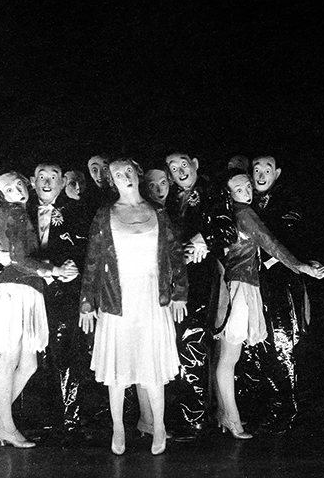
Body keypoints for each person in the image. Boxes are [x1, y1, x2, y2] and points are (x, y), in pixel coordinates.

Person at [79, 158, 188, 455]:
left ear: (137, 174)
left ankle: (159, 427)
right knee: (118, 368)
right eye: (117, 174)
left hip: (153, 296)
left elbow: (176, 255)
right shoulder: (106, 214)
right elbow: (92, 260)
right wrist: (87, 303)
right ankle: (118, 428)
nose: (124, 176)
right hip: (118, 297)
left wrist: (180, 294)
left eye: (128, 171)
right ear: (111, 181)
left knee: (152, 366)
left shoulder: (158, 212)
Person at [214, 170, 324, 439]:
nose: (247, 192)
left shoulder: (234, 214)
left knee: (227, 355)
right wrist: (300, 266)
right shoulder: (245, 215)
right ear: (230, 194)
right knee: (230, 357)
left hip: (240, 284)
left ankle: (224, 414)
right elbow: (270, 243)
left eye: (247, 186)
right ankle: (232, 420)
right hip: (241, 287)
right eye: (239, 189)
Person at [0, 171, 78, 449]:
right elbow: (17, 259)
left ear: (26, 185)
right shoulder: (15, 214)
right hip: (15, 291)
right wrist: (54, 269)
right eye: (9, 190)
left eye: (19, 185)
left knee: (29, 364)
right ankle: (6, 427)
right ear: (3, 196)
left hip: (27, 290)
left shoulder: (20, 213)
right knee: (10, 360)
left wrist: (51, 271)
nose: (17, 191)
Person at [164, 151, 238, 439]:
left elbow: (227, 228)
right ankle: (184, 413)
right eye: (174, 167)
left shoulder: (212, 191)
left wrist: (203, 238)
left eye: (184, 164)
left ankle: (193, 417)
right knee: (178, 341)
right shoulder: (170, 198)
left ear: (195, 164)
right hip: (174, 277)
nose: (180, 170)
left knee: (192, 340)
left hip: (201, 275)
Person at [25, 163, 89, 441]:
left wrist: (75, 264)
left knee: (65, 353)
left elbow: (87, 248)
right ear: (32, 182)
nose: (47, 182)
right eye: (42, 177)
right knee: (34, 355)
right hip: (29, 290)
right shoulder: (22, 210)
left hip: (63, 292)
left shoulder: (76, 211)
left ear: (63, 182)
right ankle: (41, 419)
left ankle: (71, 421)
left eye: (53, 177)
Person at [249, 155, 310, 432]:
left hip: (280, 285)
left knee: (282, 344)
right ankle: (267, 408)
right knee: (257, 346)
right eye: (257, 169)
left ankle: (287, 411)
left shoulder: (287, 203)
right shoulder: (246, 200)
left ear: (277, 173)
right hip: (253, 284)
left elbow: (287, 240)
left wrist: (265, 260)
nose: (261, 174)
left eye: (267, 169)